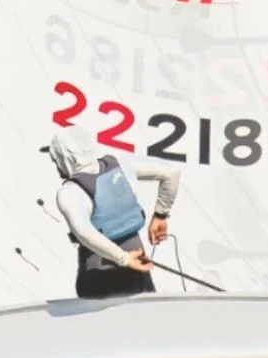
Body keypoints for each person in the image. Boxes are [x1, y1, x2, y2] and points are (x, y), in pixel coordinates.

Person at [44, 125, 181, 300]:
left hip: (100, 273)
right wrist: (161, 215)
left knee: (102, 326)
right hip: (138, 265)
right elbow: (171, 173)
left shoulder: (70, 192)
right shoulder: (121, 166)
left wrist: (123, 259)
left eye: (55, 159)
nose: (56, 165)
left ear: (65, 157)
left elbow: (84, 233)